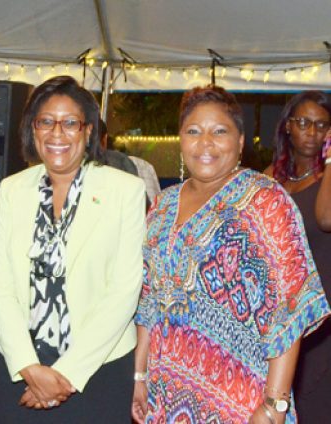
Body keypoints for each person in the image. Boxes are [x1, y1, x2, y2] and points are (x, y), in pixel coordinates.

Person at [133, 86, 330, 424]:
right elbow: (149, 299)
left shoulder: (265, 201)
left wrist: (273, 406)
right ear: (180, 138)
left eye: (219, 131)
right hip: (167, 391)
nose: (205, 142)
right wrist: (140, 377)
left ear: (240, 142)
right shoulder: (162, 205)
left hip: (241, 397)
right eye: (193, 131)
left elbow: (291, 309)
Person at [0, 75, 145, 423]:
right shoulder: (13, 189)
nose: (57, 133)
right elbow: (0, 286)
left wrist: (67, 375)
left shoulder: (125, 191)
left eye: (70, 123)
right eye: (46, 122)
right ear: (33, 129)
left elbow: (124, 290)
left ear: (88, 131)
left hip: (97, 368)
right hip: (20, 365)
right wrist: (29, 367)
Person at [263, 91, 331, 422]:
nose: (312, 132)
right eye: (303, 122)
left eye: (322, 125)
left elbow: (326, 218)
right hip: (280, 314)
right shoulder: (271, 176)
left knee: (314, 405)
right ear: (288, 126)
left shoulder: (327, 178)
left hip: (322, 311)